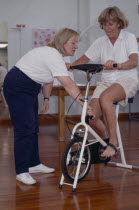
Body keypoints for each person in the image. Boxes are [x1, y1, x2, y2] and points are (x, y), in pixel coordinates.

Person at [3, 28, 92, 185]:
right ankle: (22, 171)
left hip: (31, 87)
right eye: (73, 43)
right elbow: (68, 85)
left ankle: (33, 164)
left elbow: (48, 79)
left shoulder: (55, 55)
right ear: (62, 43)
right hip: (17, 85)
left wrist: (45, 98)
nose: (76, 46)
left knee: (33, 127)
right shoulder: (52, 55)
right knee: (24, 129)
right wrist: (84, 102)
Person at [70, 6, 139, 159]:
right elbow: (84, 59)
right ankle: (105, 141)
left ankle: (112, 144)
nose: (106, 28)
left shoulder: (129, 38)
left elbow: (134, 62)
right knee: (91, 116)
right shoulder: (100, 42)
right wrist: (70, 66)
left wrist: (118, 64)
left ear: (119, 23)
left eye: (110, 24)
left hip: (127, 79)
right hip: (106, 82)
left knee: (106, 98)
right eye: (104, 24)